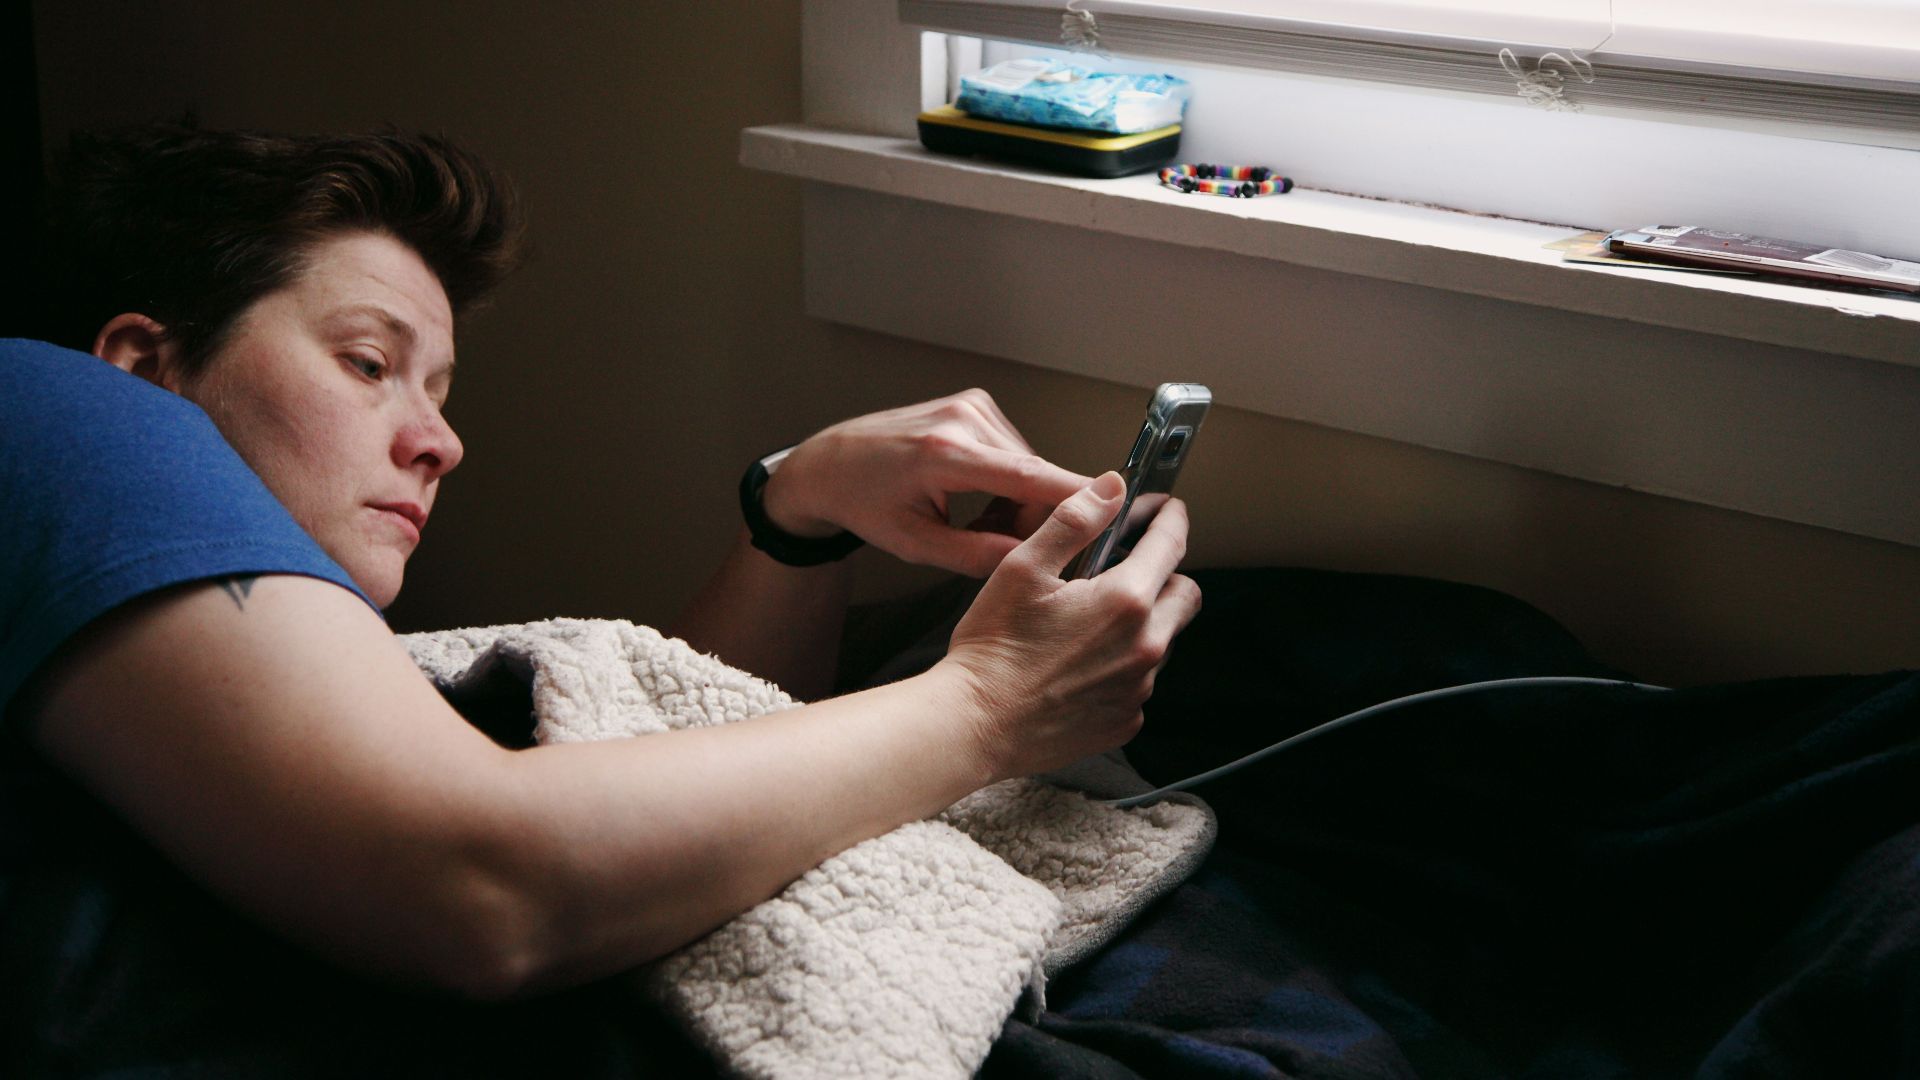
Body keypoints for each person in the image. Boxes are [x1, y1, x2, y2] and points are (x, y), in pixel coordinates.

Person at [1, 124, 1201, 1069]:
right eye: (368, 364)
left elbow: (634, 772)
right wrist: (986, 708)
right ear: (144, 366)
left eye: (442, 388)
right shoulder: (56, 402)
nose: (442, 442)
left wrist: (796, 517)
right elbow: (480, 883)